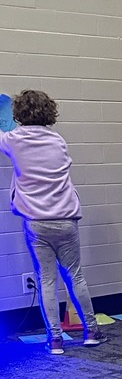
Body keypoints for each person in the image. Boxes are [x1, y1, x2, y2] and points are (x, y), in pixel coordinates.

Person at [0, 89, 108, 354]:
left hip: (36, 222)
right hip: (66, 219)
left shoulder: (13, 140)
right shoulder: (58, 141)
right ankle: (92, 331)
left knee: (46, 280)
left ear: (18, 114)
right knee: (76, 276)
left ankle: (55, 339)